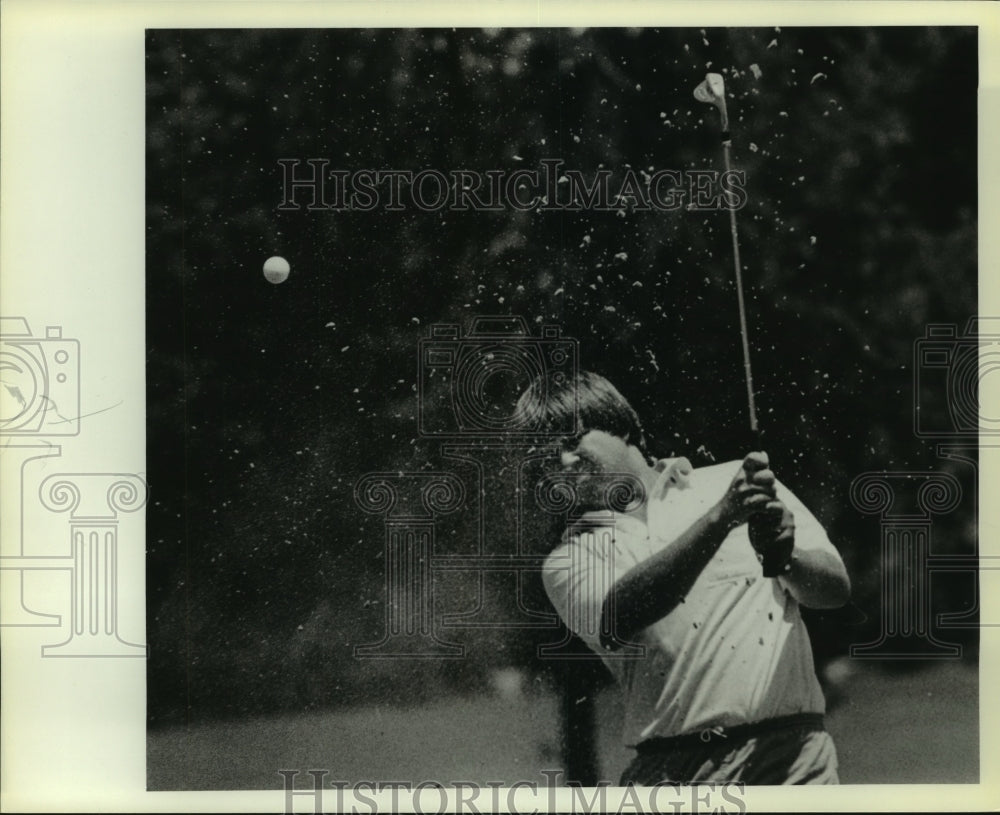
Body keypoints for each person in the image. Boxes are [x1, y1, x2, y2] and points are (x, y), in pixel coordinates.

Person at [517, 371, 851, 785]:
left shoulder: (731, 483)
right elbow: (622, 612)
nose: (564, 462)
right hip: (675, 773)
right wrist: (721, 518)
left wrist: (788, 559)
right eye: (547, 458)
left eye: (571, 441)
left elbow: (835, 590)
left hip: (794, 759)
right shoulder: (570, 558)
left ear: (619, 425)